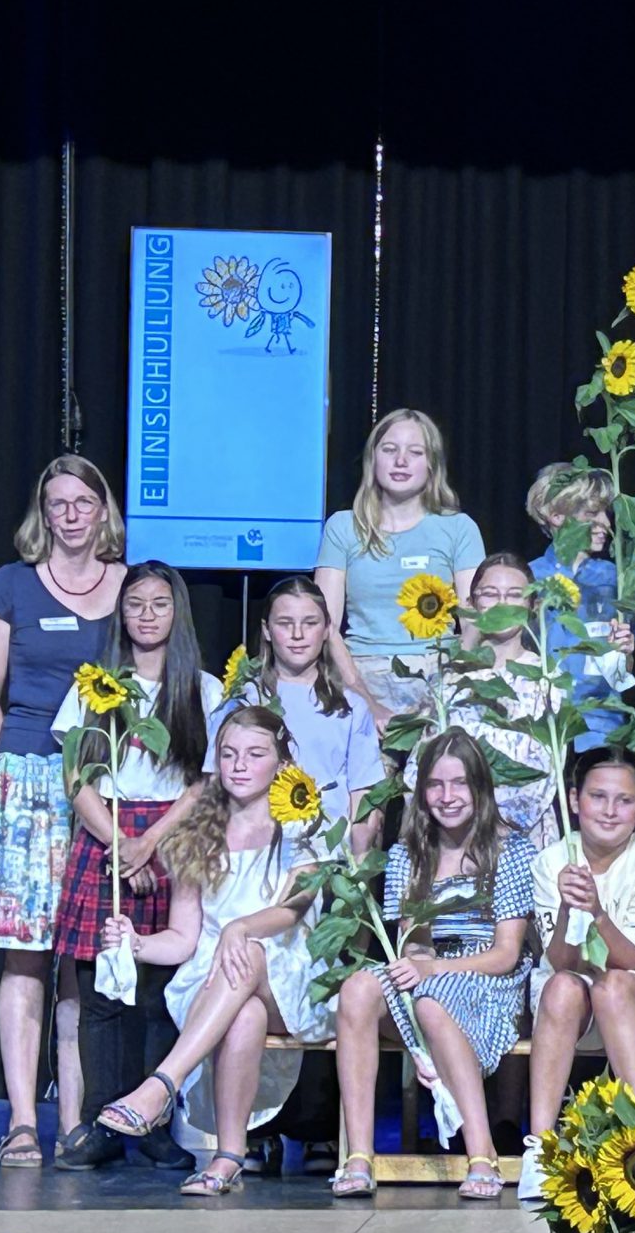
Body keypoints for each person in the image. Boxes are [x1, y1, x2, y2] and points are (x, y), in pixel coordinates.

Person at [90, 706, 335, 1194]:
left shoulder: (304, 825)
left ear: (282, 762)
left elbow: (292, 910)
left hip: (289, 976)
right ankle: (227, 1158)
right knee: (243, 1011)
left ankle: (162, 1083)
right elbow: (183, 939)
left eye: (255, 754)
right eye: (228, 754)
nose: (239, 765)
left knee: (249, 954)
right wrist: (136, 943)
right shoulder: (197, 836)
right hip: (213, 985)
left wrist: (239, 929)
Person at [0, 456, 126, 1169]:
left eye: (83, 502)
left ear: (103, 510)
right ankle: (24, 1120)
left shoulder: (129, 585)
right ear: (44, 513)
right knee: (26, 956)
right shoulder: (9, 585)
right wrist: (17, 775)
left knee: (81, 965)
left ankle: (77, 1123)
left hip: (108, 784)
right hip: (28, 782)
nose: (70, 514)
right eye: (58, 503)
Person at [50, 562, 221, 1171]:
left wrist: (151, 841)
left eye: (160, 604)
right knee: (102, 991)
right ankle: (101, 1123)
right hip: (107, 833)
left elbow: (205, 783)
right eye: (136, 604)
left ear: (178, 612)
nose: (147, 616)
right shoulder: (95, 685)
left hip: (170, 834)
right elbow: (77, 778)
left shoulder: (203, 690)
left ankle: (153, 1123)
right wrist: (122, 844)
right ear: (120, 613)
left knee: (157, 993)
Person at [331, 731, 536, 1200]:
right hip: (429, 970)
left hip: (489, 977)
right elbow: (415, 945)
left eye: (459, 784)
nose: (447, 796)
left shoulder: (510, 849)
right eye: (436, 785)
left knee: (430, 1002)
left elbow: (506, 954)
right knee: (358, 988)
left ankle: (481, 1153)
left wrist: (434, 970)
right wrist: (420, 965)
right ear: (421, 791)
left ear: (480, 787)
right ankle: (359, 1155)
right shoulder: (408, 854)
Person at [520, 748, 635, 1203]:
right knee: (560, 986)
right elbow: (562, 961)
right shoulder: (552, 860)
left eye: (624, 800)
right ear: (575, 800)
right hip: (574, 992)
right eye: (598, 797)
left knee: (612, 987)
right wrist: (565, 909)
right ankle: (540, 1148)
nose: (610, 810)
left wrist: (596, 911)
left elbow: (630, 958)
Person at [441, 554, 634, 846]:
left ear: (533, 605)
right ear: (472, 602)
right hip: (452, 836)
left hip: (519, 840)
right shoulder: (450, 679)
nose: (503, 604)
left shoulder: (547, 680)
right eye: (490, 594)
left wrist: (488, 828)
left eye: (514, 595)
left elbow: (541, 777)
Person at [316, 408, 486, 721]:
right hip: (361, 673)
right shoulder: (343, 527)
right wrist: (365, 700)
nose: (401, 461)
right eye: (390, 449)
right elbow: (325, 624)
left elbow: (475, 622)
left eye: (415, 452)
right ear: (373, 459)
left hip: (442, 674)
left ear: (432, 464)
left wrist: (442, 695)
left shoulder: (459, 528)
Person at [216, 575, 385, 851]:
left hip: (328, 854)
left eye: (310, 623)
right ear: (267, 630)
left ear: (327, 629)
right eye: (285, 623)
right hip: (256, 852)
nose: (298, 634)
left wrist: (360, 861)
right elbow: (214, 784)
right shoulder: (243, 700)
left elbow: (363, 794)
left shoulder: (351, 707)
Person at [525, 461, 629, 750]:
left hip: (602, 726)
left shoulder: (616, 577)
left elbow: (633, 658)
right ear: (556, 515)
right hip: (542, 724)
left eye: (606, 513)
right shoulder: (529, 578)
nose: (606, 523)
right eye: (591, 514)